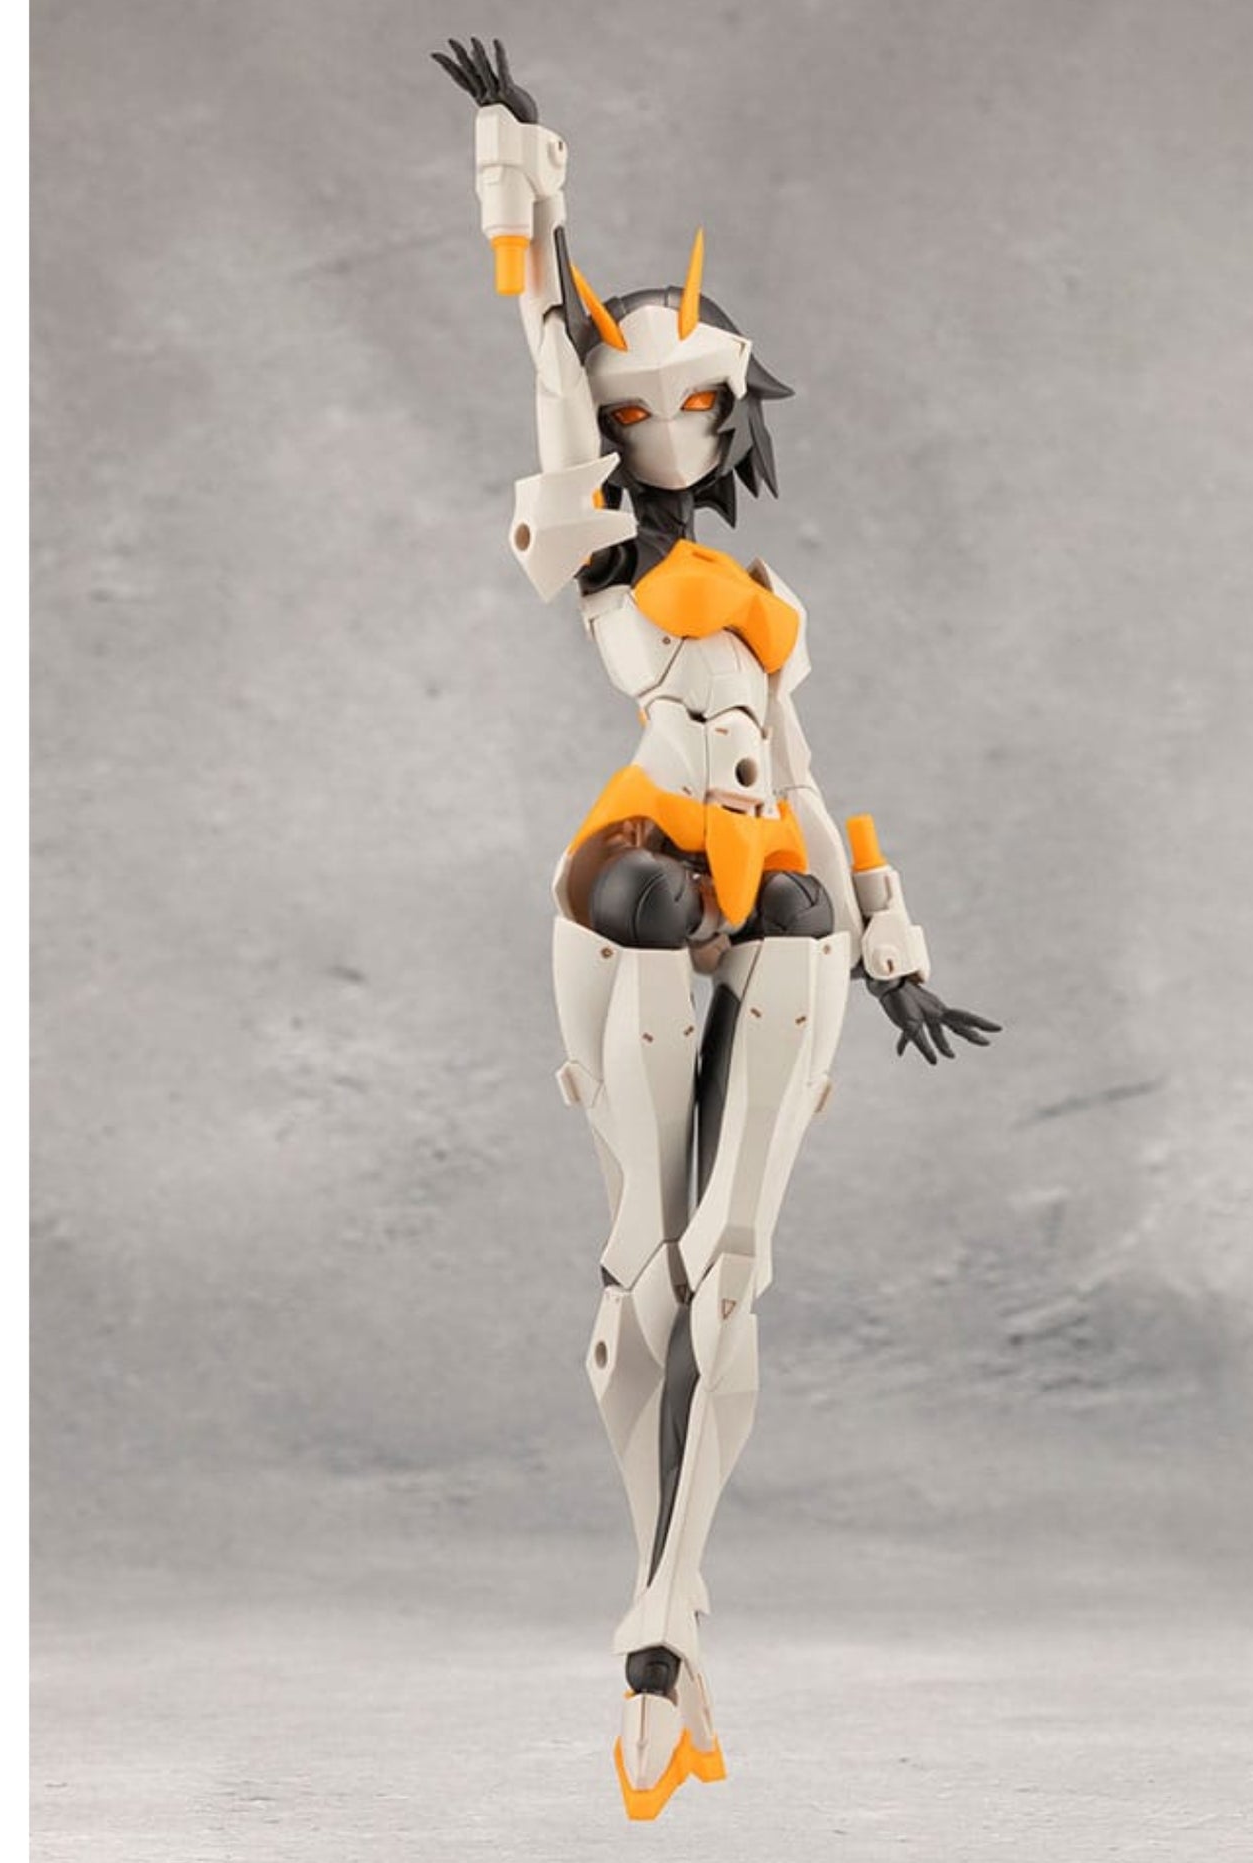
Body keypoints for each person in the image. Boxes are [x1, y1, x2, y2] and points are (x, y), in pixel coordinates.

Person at [435, 38, 999, 1820]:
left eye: (694, 398)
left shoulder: (762, 597)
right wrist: (525, 188)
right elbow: (548, 359)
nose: (664, 423)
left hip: (781, 889)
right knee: (646, 1263)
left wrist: (895, 942)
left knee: (731, 1262)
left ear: (736, 410)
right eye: (640, 401)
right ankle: (659, 1607)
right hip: (649, 871)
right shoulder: (605, 549)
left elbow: (805, 771)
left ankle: (667, 1616)